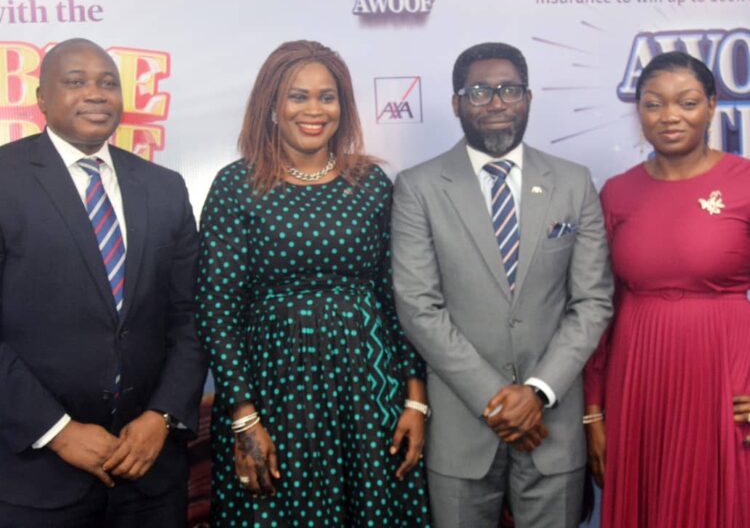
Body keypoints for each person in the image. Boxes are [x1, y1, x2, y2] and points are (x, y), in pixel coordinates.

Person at [196, 40, 431, 527]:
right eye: (298, 96)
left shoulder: (369, 184)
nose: (314, 110)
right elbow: (217, 311)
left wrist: (414, 397)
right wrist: (243, 416)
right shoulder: (236, 185)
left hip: (371, 394)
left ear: (342, 107)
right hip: (272, 397)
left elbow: (396, 296)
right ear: (272, 107)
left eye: (327, 97)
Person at [390, 41, 613, 528]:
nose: (496, 103)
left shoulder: (574, 183)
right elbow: (418, 307)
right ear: (456, 103)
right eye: (479, 91)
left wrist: (536, 393)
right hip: (463, 427)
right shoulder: (418, 187)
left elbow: (592, 301)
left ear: (528, 99)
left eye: (509, 90)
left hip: (551, 424)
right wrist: (499, 401)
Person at [0, 38, 207, 527]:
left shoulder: (164, 188)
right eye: (75, 82)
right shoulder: (5, 180)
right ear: (41, 98)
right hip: (35, 476)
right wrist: (57, 431)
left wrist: (162, 416)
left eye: (107, 82)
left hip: (150, 473)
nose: (95, 93)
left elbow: (192, 316)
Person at [584, 51, 750, 528]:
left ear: (713, 105)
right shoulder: (616, 192)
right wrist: (593, 414)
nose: (670, 116)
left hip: (724, 376)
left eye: (688, 102)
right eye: (654, 104)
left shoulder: (744, 183)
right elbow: (601, 307)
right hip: (637, 379)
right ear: (638, 112)